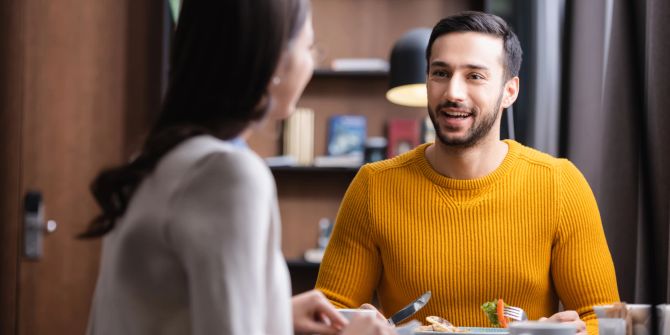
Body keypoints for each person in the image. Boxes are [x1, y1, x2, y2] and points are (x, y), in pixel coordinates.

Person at [81, 0, 395, 334]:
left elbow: (168, 310)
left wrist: (273, 313)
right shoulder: (227, 175)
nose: (311, 62)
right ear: (274, 58)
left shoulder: (157, 162)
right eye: (309, 47)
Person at [315, 11, 619, 335]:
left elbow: (602, 319)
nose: (453, 93)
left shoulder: (560, 184)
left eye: (475, 76)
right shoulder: (372, 186)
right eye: (441, 73)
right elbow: (327, 317)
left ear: (510, 91)